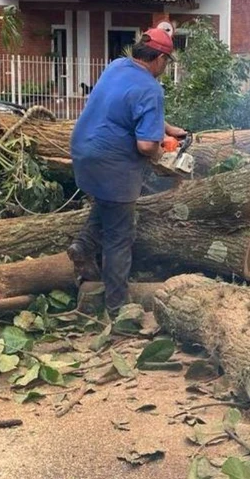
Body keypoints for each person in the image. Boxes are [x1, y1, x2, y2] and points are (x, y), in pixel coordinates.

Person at [67, 28, 186, 313]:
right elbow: (145, 145)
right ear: (159, 58)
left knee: (109, 203)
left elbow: (129, 106)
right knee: (120, 236)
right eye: (166, 61)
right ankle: (118, 308)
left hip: (83, 151)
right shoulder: (151, 89)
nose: (165, 67)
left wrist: (167, 128)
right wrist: (163, 155)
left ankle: (83, 245)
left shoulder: (117, 66)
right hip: (112, 163)